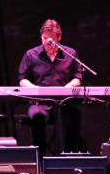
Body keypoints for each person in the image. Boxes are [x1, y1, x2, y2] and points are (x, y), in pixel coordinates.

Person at [17, 19, 84, 156]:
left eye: (51, 39)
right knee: (37, 116)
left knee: (73, 116)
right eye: (45, 38)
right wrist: (35, 89)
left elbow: (78, 77)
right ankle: (40, 160)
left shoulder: (70, 53)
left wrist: (68, 86)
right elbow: (22, 79)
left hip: (64, 103)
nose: (48, 42)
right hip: (40, 103)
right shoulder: (31, 55)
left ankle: (69, 158)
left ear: (59, 37)